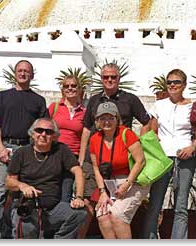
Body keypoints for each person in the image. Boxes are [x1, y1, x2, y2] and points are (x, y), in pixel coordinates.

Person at [78, 62, 151, 237]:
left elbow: (146, 121)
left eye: (113, 77)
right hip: (102, 165)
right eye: (106, 77)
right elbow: (87, 129)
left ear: (119, 79)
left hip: (126, 168)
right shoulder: (95, 100)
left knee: (117, 215)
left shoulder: (130, 100)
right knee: (101, 213)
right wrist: (81, 160)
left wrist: (139, 144)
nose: (109, 80)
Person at [0, 60, 48, 238]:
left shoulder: (38, 101)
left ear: (32, 75)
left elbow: (42, 129)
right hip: (6, 147)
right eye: (20, 70)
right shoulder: (2, 97)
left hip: (26, 151)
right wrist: (0, 149)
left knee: (18, 197)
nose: (23, 74)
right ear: (15, 73)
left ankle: (14, 237)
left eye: (27, 71)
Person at [142, 69, 196, 239]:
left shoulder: (194, 106)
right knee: (155, 202)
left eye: (176, 82)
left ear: (184, 85)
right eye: (169, 82)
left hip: (185, 157)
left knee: (181, 205)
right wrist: (154, 148)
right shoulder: (159, 105)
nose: (172, 85)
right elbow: (152, 130)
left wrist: (191, 148)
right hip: (162, 158)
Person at [5, 118, 87, 239]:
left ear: (54, 136)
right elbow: (9, 182)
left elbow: (78, 171)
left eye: (48, 132)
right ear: (33, 134)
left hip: (53, 208)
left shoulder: (61, 150)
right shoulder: (21, 153)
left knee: (79, 213)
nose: (43, 134)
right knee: (28, 229)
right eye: (39, 130)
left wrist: (79, 197)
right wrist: (22, 186)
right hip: (28, 208)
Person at [89, 102, 150, 239]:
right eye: (103, 118)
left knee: (118, 216)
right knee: (102, 215)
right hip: (110, 184)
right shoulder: (94, 139)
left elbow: (140, 161)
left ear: (117, 119)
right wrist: (102, 192)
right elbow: (96, 168)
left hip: (133, 180)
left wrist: (127, 184)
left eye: (111, 117)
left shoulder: (126, 134)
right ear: (97, 121)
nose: (107, 122)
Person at [48, 75, 85, 203]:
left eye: (73, 85)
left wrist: (80, 158)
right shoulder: (54, 107)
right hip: (53, 154)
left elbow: (84, 138)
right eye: (66, 86)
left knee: (66, 193)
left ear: (79, 89)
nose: (70, 88)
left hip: (72, 157)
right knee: (50, 192)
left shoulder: (84, 112)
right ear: (62, 90)